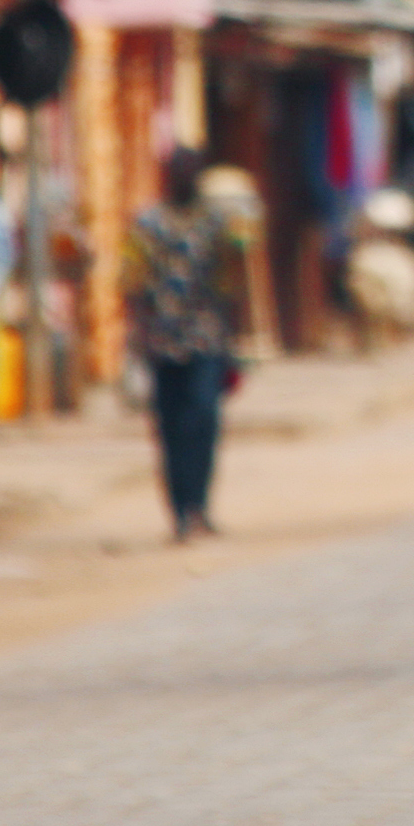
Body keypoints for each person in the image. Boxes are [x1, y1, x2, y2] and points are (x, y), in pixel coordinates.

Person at [125, 146, 243, 543]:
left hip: (206, 338)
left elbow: (231, 283)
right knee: (170, 428)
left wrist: (234, 339)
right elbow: (133, 283)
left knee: (204, 422)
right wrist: (138, 336)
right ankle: (178, 512)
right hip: (162, 342)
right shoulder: (147, 224)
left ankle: (200, 507)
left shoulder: (215, 223)